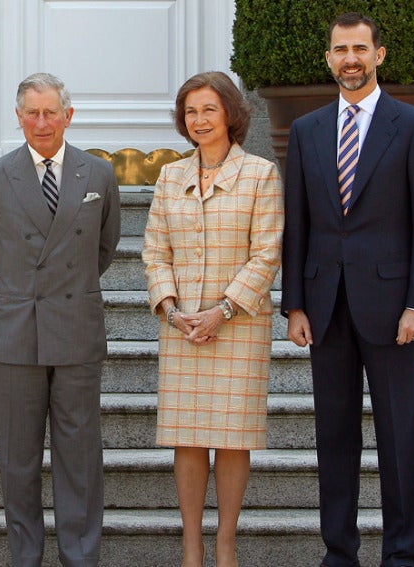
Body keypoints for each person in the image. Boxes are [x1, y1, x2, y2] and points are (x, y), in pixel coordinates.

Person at [281, 12, 414, 567]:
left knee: (400, 442)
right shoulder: (305, 132)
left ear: (379, 55)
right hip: (325, 307)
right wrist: (295, 303)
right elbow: (298, 222)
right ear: (328, 58)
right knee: (335, 440)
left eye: (359, 48)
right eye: (339, 49)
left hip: (394, 308)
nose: (349, 58)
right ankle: (339, 554)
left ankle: (402, 556)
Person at [0, 72, 121, 567]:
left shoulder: (98, 175)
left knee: (79, 458)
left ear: (67, 116)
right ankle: (26, 558)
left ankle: (80, 558)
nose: (41, 122)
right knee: (17, 461)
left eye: (50, 112)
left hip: (76, 329)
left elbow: (103, 248)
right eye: (31, 113)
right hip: (16, 333)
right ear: (18, 118)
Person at [142, 71, 283, 567]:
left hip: (237, 326)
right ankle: (191, 545)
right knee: (187, 435)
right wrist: (172, 308)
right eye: (190, 112)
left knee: (231, 437)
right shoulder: (168, 176)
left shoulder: (260, 174)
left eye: (208, 109)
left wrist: (222, 310)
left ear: (230, 113)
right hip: (182, 328)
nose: (199, 120)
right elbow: (154, 252)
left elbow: (266, 253)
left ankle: (225, 542)